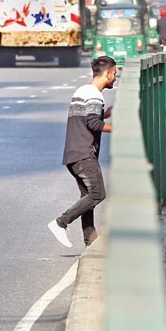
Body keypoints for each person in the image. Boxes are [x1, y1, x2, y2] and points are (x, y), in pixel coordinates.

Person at [48, 56, 118, 248]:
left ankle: (91, 243)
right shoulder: (95, 94)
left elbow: (86, 118)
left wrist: (107, 114)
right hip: (84, 154)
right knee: (97, 194)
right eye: (115, 74)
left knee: (88, 197)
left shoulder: (83, 90)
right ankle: (60, 223)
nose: (115, 79)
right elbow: (93, 123)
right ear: (109, 73)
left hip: (74, 153)